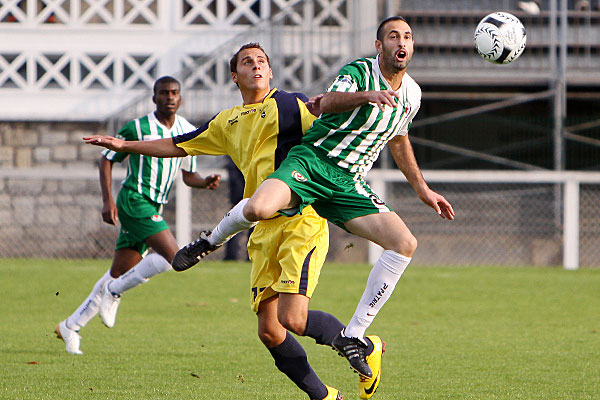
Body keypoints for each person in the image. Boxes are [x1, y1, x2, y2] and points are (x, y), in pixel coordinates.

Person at [83, 43, 383, 400]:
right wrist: (124, 146)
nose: (255, 65)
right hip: (261, 231)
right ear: (234, 76)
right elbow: (179, 145)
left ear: (270, 72)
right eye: (247, 61)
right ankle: (326, 396)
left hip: (300, 221)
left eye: (261, 61)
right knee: (270, 332)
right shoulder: (227, 121)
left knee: (293, 319)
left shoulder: (292, 104)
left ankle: (365, 345)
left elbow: (333, 130)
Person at [171, 15, 455, 382]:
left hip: (347, 182)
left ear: (411, 47)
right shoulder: (359, 72)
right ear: (379, 45)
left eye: (408, 36)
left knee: (404, 243)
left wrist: (423, 190)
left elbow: (399, 140)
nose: (402, 41)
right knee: (258, 207)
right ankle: (208, 242)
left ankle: (355, 335)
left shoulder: (412, 94)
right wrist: (367, 96)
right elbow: (330, 101)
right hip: (313, 161)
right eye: (393, 36)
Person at [56, 76, 220, 355]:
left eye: (174, 93)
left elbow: (189, 175)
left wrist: (205, 182)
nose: (169, 97)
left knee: (118, 272)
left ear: (181, 98)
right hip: (134, 200)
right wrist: (108, 200)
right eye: (163, 93)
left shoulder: (188, 131)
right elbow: (107, 159)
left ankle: (70, 325)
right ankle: (115, 291)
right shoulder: (137, 127)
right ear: (154, 97)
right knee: (173, 258)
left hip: (153, 207)